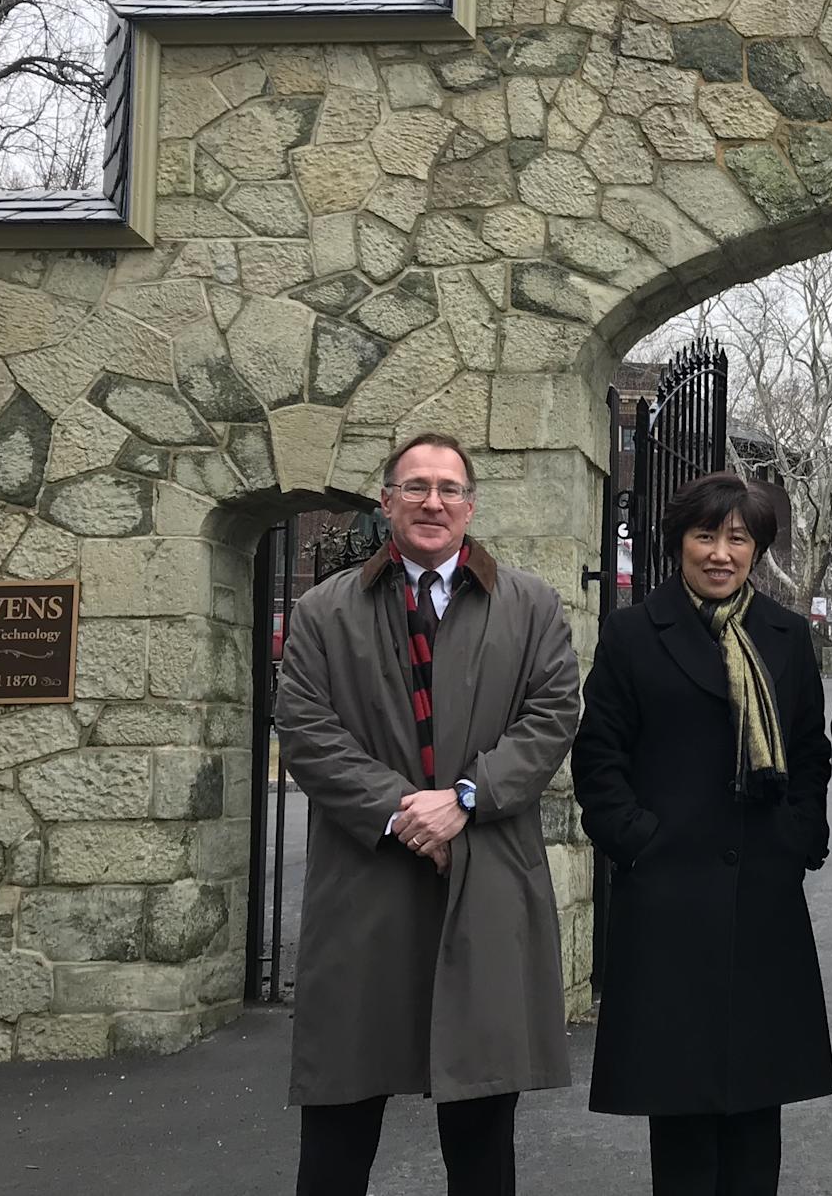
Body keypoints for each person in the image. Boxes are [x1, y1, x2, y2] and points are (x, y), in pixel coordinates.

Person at [275, 431, 582, 1196]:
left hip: (485, 881)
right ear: (386, 503)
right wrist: (404, 813)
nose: (432, 501)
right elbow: (306, 729)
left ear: (471, 506)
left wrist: (465, 802)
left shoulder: (532, 606)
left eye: (448, 488)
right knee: (339, 1128)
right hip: (365, 885)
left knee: (481, 1134)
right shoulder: (323, 611)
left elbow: (550, 717)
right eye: (415, 487)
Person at [571, 471, 832, 1196]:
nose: (721, 553)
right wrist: (642, 844)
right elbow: (599, 759)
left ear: (757, 549)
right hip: (669, 903)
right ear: (678, 542)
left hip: (763, 901)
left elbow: (811, 754)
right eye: (706, 535)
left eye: (738, 538)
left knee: (758, 1112)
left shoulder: (784, 636)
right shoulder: (633, 634)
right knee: (682, 1119)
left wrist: (795, 840)